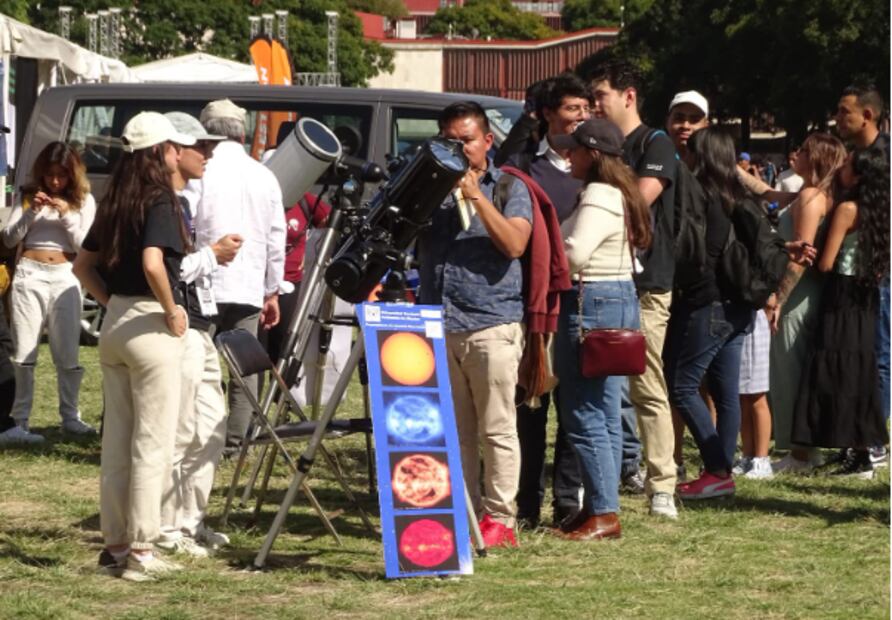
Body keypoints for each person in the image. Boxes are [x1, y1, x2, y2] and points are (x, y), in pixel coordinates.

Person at [73, 112, 196, 581]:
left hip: (117, 323)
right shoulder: (159, 198)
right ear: (160, 152)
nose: (179, 153)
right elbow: (152, 262)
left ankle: (116, 546)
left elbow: (82, 266)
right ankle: (142, 550)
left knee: (118, 443)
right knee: (152, 443)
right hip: (149, 325)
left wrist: (112, 303)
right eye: (173, 146)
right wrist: (171, 308)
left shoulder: (116, 199)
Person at [417, 101, 533, 548]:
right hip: (439, 322)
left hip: (490, 323)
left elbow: (515, 244)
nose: (459, 149)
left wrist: (475, 196)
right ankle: (464, 512)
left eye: (466, 140)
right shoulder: (431, 189)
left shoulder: (507, 186)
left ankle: (500, 519)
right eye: (449, 141)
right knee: (457, 430)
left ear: (486, 141)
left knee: (497, 427)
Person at [549, 117, 650, 539]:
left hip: (591, 300)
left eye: (573, 148)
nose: (567, 154)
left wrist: (543, 258)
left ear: (592, 154)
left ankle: (604, 512)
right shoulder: (617, 192)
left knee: (582, 410)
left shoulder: (598, 195)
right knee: (605, 410)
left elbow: (574, 253)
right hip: (615, 297)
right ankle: (600, 507)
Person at [589, 60, 678, 519]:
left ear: (629, 96)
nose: (594, 105)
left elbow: (638, 202)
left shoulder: (655, 143)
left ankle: (662, 484)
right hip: (604, 279)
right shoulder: (597, 145)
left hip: (646, 284)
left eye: (600, 95)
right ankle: (609, 476)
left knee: (646, 383)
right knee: (602, 387)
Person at [155, 111, 241, 557]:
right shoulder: (157, 203)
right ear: (172, 151)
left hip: (199, 325)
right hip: (177, 326)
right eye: (200, 147)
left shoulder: (182, 203)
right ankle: (168, 526)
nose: (208, 154)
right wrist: (212, 254)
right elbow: (165, 271)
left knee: (211, 427)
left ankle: (190, 521)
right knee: (183, 430)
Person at [507, 73, 589, 529]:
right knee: (530, 407)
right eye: (572, 108)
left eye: (586, 109)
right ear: (548, 114)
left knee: (573, 408)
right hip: (533, 303)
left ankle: (567, 502)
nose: (581, 117)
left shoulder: (595, 166)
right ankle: (527, 503)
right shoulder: (525, 165)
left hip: (579, 301)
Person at [187, 99, 286, 450]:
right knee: (245, 367)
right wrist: (272, 290)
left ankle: (198, 435)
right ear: (243, 133)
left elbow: (187, 223)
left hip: (204, 280)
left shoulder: (200, 171)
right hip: (248, 285)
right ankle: (235, 441)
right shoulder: (265, 175)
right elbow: (276, 237)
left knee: (197, 363)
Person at [662, 127, 755, 499]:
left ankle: (717, 469)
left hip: (708, 303)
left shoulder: (701, 196)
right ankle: (721, 475)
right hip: (739, 305)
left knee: (681, 386)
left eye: (690, 152)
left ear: (701, 157)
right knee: (725, 392)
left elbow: (695, 256)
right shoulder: (739, 196)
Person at [792, 147, 889, 476]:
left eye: (847, 165)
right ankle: (858, 448)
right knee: (859, 371)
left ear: (858, 176)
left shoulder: (847, 209)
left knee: (837, 370)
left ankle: (856, 452)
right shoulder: (881, 210)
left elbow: (826, 263)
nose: (841, 168)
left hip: (841, 293)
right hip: (865, 294)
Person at [1, 141, 96, 439]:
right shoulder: (29, 196)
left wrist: (67, 215)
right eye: (50, 175)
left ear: (72, 175)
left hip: (66, 274)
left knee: (67, 350)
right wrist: (31, 212)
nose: (55, 182)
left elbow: (85, 245)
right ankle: (20, 418)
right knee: (24, 350)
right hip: (30, 272)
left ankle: (70, 416)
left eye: (61, 175)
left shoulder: (84, 200)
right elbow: (9, 238)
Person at [766, 132, 847, 473]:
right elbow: (765, 192)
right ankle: (803, 450)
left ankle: (798, 454)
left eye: (802, 150)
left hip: (798, 296)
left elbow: (802, 255)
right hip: (808, 293)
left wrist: (779, 300)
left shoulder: (811, 196)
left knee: (790, 372)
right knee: (795, 370)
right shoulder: (816, 194)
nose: (795, 154)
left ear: (815, 158)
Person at [834, 84, 889, 469]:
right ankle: (859, 438)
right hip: (860, 275)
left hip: (880, 273)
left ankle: (874, 442)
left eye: (844, 111)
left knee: (879, 357)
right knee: (865, 358)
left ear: (867, 115)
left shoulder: (885, 158)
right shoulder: (857, 157)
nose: (838, 118)